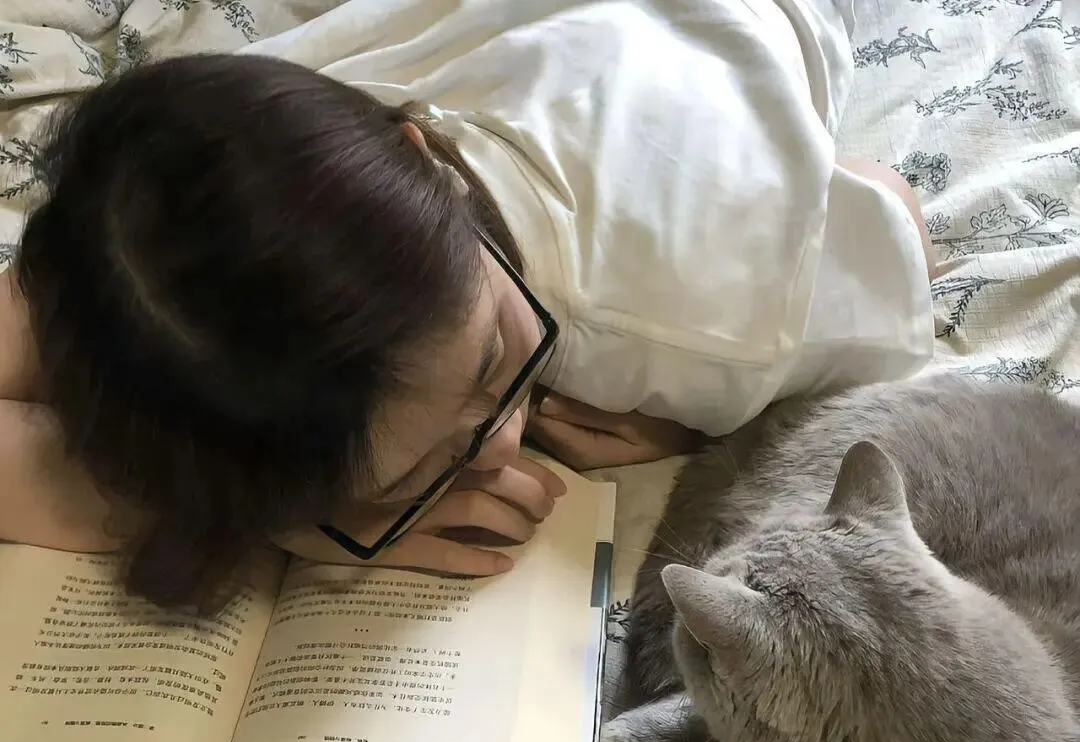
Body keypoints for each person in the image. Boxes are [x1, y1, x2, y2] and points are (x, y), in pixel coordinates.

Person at [0, 0, 937, 611]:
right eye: (416, 471)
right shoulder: (205, 181)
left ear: (423, 159)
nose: (495, 451)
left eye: (494, 358)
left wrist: (705, 423)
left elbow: (894, 218)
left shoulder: (694, 323)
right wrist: (286, 518)